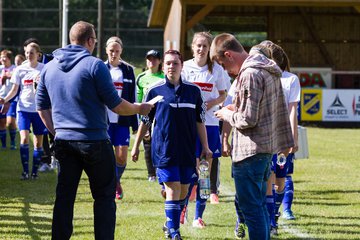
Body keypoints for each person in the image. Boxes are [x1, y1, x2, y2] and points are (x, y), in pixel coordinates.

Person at [35, 21, 153, 240]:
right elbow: (116, 105)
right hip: (95, 142)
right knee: (104, 198)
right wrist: (140, 108)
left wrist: (56, 131)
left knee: (64, 197)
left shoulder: (49, 67)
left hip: (64, 142)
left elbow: (41, 106)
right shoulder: (94, 65)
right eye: (95, 40)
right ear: (90, 41)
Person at [210, 33, 294, 240]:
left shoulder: (249, 74)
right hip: (265, 150)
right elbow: (261, 110)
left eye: (223, 63)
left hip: (249, 153)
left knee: (252, 211)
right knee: (260, 208)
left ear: (229, 55)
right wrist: (236, 106)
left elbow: (248, 119)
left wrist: (227, 113)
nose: (226, 71)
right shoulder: (268, 69)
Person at [131, 49, 212, 240]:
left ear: (182, 66)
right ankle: (174, 232)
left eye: (175, 63)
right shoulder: (154, 90)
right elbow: (145, 121)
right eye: (168, 63)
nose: (171, 66)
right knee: (174, 188)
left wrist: (206, 147)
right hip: (164, 149)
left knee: (184, 189)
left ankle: (169, 221)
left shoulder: (194, 91)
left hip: (187, 149)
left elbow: (200, 121)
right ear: (163, 65)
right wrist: (135, 146)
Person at [181, 31, 228, 228]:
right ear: (193, 47)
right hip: (189, 126)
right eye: (198, 45)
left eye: (205, 46)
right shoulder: (184, 68)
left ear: (209, 49)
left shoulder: (216, 69)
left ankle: (198, 216)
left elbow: (224, 94)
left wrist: (211, 103)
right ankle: (182, 209)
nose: (201, 49)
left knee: (204, 174)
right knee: (188, 171)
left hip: (209, 126)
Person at [259, 41, 300, 225]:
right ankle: (271, 221)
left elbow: (293, 110)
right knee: (270, 176)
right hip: (265, 135)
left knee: (281, 180)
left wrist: (293, 138)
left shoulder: (290, 79)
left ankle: (276, 213)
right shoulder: (261, 77)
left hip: (283, 136)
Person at [0, 43, 46, 180]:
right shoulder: (20, 70)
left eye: (32, 53)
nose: (28, 55)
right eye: (27, 52)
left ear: (38, 54)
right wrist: (5, 100)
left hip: (39, 111)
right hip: (23, 109)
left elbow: (49, 89)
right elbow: (14, 90)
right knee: (25, 138)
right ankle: (25, 172)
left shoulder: (44, 69)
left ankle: (34, 173)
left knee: (38, 143)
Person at [104, 36, 139, 200]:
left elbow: (132, 98)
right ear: (106, 50)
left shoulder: (128, 70)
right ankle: (111, 185)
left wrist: (135, 124)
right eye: (111, 50)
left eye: (117, 51)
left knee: (121, 156)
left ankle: (115, 182)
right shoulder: (100, 68)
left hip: (122, 120)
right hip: (104, 121)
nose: (114, 54)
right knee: (106, 157)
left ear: (121, 52)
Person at [136, 49, 164, 182]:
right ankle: (151, 173)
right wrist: (139, 121)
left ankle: (161, 169)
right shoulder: (141, 78)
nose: (151, 61)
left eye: (154, 59)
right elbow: (138, 100)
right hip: (147, 116)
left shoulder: (164, 77)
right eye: (149, 58)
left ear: (159, 61)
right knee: (147, 143)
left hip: (161, 115)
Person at [0, 50, 17, 150]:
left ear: (9, 58)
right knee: (2, 122)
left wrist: (8, 75)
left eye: (4, 57)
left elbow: (15, 79)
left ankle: (13, 142)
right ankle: (3, 145)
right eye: (1, 57)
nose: (2, 59)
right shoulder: (0, 68)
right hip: (0, 98)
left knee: (10, 122)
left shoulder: (14, 68)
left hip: (11, 99)